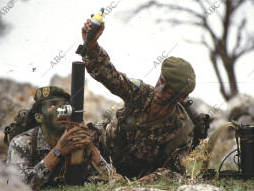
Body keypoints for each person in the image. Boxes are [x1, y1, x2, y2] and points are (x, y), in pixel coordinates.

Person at [77, 18, 210, 182]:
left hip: (134, 175)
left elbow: (174, 172)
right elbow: (112, 78)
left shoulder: (182, 129)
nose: (160, 90)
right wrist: (91, 46)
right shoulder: (140, 93)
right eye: (161, 81)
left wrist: (142, 182)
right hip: (101, 151)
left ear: (181, 97)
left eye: (168, 89)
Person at [6, 86, 118, 189]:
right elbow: (16, 186)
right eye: (53, 105)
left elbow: (113, 178)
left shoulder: (76, 141)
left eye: (65, 105)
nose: (61, 111)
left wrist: (91, 148)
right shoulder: (22, 143)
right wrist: (58, 151)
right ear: (39, 117)